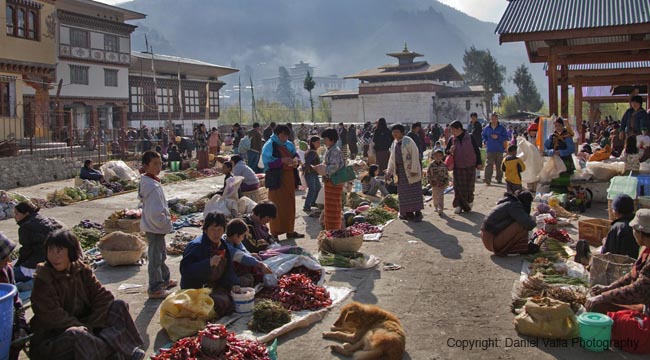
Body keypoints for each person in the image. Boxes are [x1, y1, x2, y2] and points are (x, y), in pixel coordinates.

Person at [30, 229, 145, 360]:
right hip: (55, 337)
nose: (54, 257)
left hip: (86, 324)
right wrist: (83, 327)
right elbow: (52, 316)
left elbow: (103, 296)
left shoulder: (81, 270)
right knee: (77, 334)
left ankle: (118, 348)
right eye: (51, 251)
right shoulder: (43, 278)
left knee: (118, 306)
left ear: (71, 252)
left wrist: (94, 324)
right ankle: (117, 349)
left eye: (59, 251)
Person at [586, 208, 650, 316]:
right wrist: (608, 287)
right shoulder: (645, 250)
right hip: (643, 302)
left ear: (640, 233)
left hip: (646, 308)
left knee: (599, 306)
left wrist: (603, 296)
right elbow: (631, 275)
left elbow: (636, 291)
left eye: (634, 230)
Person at [180, 212, 235, 317]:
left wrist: (234, 283)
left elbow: (229, 268)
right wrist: (207, 263)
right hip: (196, 290)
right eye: (213, 229)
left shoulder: (222, 245)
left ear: (224, 230)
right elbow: (185, 270)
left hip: (215, 286)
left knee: (245, 281)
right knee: (221, 302)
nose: (216, 233)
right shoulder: (196, 246)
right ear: (205, 230)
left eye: (219, 229)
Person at [138, 151, 175, 299]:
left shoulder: (152, 181)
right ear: (146, 166)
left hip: (157, 227)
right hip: (154, 227)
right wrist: (165, 222)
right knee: (155, 258)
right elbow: (155, 213)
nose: (158, 166)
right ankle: (155, 287)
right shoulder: (150, 186)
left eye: (160, 163)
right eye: (154, 164)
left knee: (161, 255)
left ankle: (164, 280)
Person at [262, 125, 304, 239]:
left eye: (287, 135)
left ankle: (290, 230)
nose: (285, 137)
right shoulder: (269, 145)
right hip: (276, 179)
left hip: (289, 178)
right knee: (276, 205)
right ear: (277, 134)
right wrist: (281, 161)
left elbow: (295, 155)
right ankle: (275, 233)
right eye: (283, 135)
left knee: (290, 204)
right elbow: (267, 163)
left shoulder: (289, 144)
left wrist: (296, 161)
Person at [13, 201, 63, 290]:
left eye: (17, 214)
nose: (15, 216)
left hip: (39, 263)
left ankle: (34, 282)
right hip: (56, 261)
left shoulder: (25, 228)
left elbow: (26, 251)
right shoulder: (45, 219)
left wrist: (17, 265)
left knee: (9, 274)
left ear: (26, 213)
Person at [481, 190, 537, 256]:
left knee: (523, 221)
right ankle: (518, 249)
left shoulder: (509, 202)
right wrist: (534, 220)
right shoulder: (515, 205)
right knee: (522, 225)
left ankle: (517, 247)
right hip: (492, 242)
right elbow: (529, 224)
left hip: (488, 239)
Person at [386, 124, 424, 222]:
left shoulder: (408, 141)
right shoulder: (394, 143)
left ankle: (418, 213)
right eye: (393, 132)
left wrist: (414, 170)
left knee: (414, 192)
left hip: (410, 170)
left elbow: (415, 155)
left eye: (397, 132)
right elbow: (392, 159)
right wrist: (389, 171)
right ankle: (409, 213)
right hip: (400, 172)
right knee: (404, 193)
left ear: (402, 132)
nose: (394, 134)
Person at [0, 233, 28, 360]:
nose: (8, 260)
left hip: (6, 326)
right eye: (3, 257)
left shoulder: (7, 270)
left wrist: (21, 326)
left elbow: (16, 301)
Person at [222, 219, 273, 288]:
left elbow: (244, 251)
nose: (243, 239)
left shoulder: (234, 240)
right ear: (236, 236)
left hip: (236, 270)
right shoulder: (227, 247)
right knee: (247, 280)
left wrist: (251, 255)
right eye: (243, 236)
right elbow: (242, 257)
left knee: (255, 259)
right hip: (228, 274)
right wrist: (261, 265)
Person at [446, 120, 482, 214]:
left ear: (459, 129)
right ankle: (458, 205)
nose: (452, 132)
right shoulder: (452, 139)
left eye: (453, 130)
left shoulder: (470, 137)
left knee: (469, 186)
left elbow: (476, 150)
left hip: (470, 165)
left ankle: (469, 202)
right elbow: (446, 151)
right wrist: (450, 150)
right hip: (458, 166)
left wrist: (479, 163)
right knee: (458, 187)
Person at [313, 128, 346, 230]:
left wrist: (322, 169)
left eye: (326, 139)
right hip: (330, 181)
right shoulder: (330, 149)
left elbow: (334, 167)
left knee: (334, 207)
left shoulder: (335, 150)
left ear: (332, 139)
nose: (324, 141)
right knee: (330, 206)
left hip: (334, 181)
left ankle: (334, 228)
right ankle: (331, 228)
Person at [601, 194, 639, 259]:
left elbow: (607, 253)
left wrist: (605, 243)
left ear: (616, 211)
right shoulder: (638, 223)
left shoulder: (617, 227)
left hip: (621, 265)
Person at [544, 117, 576, 193]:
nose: (557, 127)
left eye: (559, 125)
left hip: (565, 162)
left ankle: (565, 195)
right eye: (556, 125)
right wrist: (551, 151)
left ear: (562, 126)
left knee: (564, 180)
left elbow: (572, 149)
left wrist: (561, 152)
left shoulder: (567, 136)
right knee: (554, 178)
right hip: (554, 162)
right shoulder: (551, 136)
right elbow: (546, 147)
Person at [482, 113, 509, 185]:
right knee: (489, 165)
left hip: (499, 149)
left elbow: (506, 138)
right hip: (490, 149)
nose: (493, 120)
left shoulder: (502, 128)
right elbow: (483, 136)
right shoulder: (487, 128)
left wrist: (498, 137)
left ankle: (499, 178)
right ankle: (487, 179)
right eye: (492, 119)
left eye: (495, 119)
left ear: (497, 119)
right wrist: (485, 141)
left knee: (499, 165)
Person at [302, 136, 322, 215]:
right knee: (312, 189)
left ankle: (313, 202)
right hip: (310, 173)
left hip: (313, 173)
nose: (319, 144)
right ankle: (306, 206)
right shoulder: (312, 152)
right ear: (313, 143)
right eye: (318, 142)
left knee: (318, 188)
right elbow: (307, 163)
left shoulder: (312, 151)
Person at [427, 147, 449, 217]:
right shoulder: (431, 165)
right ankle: (436, 205)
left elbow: (446, 174)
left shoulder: (444, 165)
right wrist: (429, 181)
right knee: (435, 195)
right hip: (434, 183)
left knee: (441, 196)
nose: (438, 157)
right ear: (433, 156)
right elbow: (428, 174)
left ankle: (440, 208)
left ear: (442, 157)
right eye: (436, 156)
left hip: (442, 184)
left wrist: (446, 182)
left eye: (440, 156)